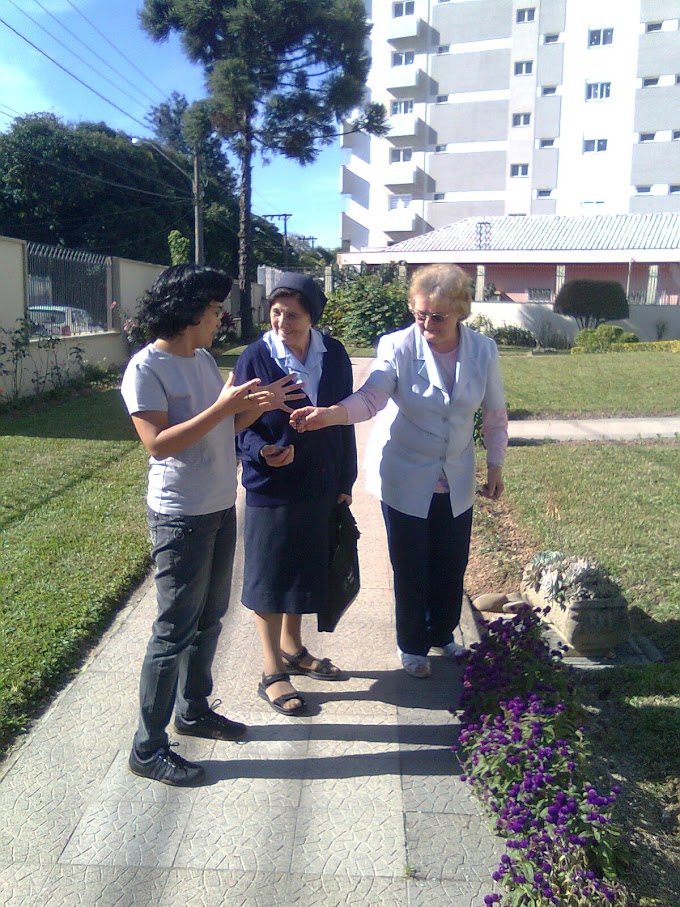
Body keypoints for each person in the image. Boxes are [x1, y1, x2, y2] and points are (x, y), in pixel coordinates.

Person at [121, 264, 303, 785]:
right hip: (180, 515)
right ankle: (147, 746)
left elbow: (221, 426)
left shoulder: (201, 359)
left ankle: (193, 711)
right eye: (215, 309)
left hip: (220, 506)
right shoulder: (145, 368)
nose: (220, 318)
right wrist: (225, 404)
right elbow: (158, 443)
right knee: (173, 629)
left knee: (209, 619)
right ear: (189, 311)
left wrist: (253, 407)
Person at [290, 263, 508, 679]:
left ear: (461, 311)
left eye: (438, 316)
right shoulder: (396, 345)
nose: (426, 323)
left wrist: (495, 464)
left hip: (456, 472)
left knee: (451, 560)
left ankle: (444, 633)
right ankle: (412, 645)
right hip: (405, 472)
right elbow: (372, 397)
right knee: (411, 563)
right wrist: (332, 415)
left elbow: (495, 413)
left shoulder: (483, 349)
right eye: (419, 313)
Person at [234, 273, 357, 715]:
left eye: (293, 313)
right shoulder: (257, 356)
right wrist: (262, 451)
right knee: (270, 575)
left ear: (313, 315)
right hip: (273, 483)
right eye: (276, 311)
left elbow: (342, 417)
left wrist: (345, 481)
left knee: (305, 569)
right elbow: (235, 423)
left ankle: (292, 647)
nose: (281, 320)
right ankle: (272, 669)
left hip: (320, 481)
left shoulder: (335, 353)